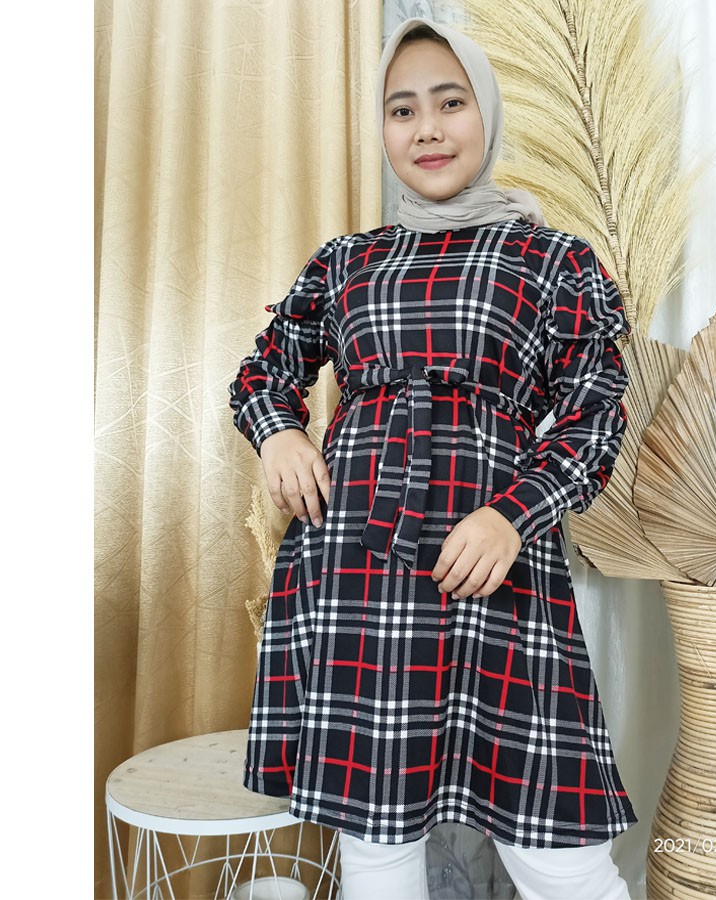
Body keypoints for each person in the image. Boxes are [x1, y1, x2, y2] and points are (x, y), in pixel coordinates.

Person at [229, 17, 635, 900]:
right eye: (402, 109)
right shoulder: (347, 261)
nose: (427, 129)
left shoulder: (552, 259)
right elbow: (263, 370)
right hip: (353, 576)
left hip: (492, 572)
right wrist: (280, 431)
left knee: (562, 861)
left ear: (485, 111)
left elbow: (596, 415)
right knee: (376, 851)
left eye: (451, 103)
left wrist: (512, 516)